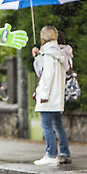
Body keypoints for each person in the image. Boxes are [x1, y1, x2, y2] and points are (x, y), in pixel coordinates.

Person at [32, 25, 71, 165]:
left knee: (47, 125)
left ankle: (51, 154)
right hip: (57, 96)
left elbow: (46, 76)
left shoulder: (48, 55)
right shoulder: (60, 53)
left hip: (48, 98)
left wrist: (43, 95)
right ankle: (65, 152)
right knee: (58, 125)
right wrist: (38, 57)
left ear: (42, 39)